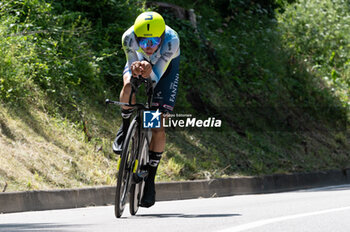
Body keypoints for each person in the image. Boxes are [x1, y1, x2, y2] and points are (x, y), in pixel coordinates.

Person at [112, 11, 180, 208]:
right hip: (137, 61)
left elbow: (156, 76)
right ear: (136, 38)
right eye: (143, 42)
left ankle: (150, 180)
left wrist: (149, 72)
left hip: (165, 68)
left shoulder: (171, 41)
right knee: (128, 85)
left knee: (156, 122)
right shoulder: (128, 38)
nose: (148, 47)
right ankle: (125, 127)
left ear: (161, 38)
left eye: (153, 42)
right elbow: (131, 66)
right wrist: (135, 72)